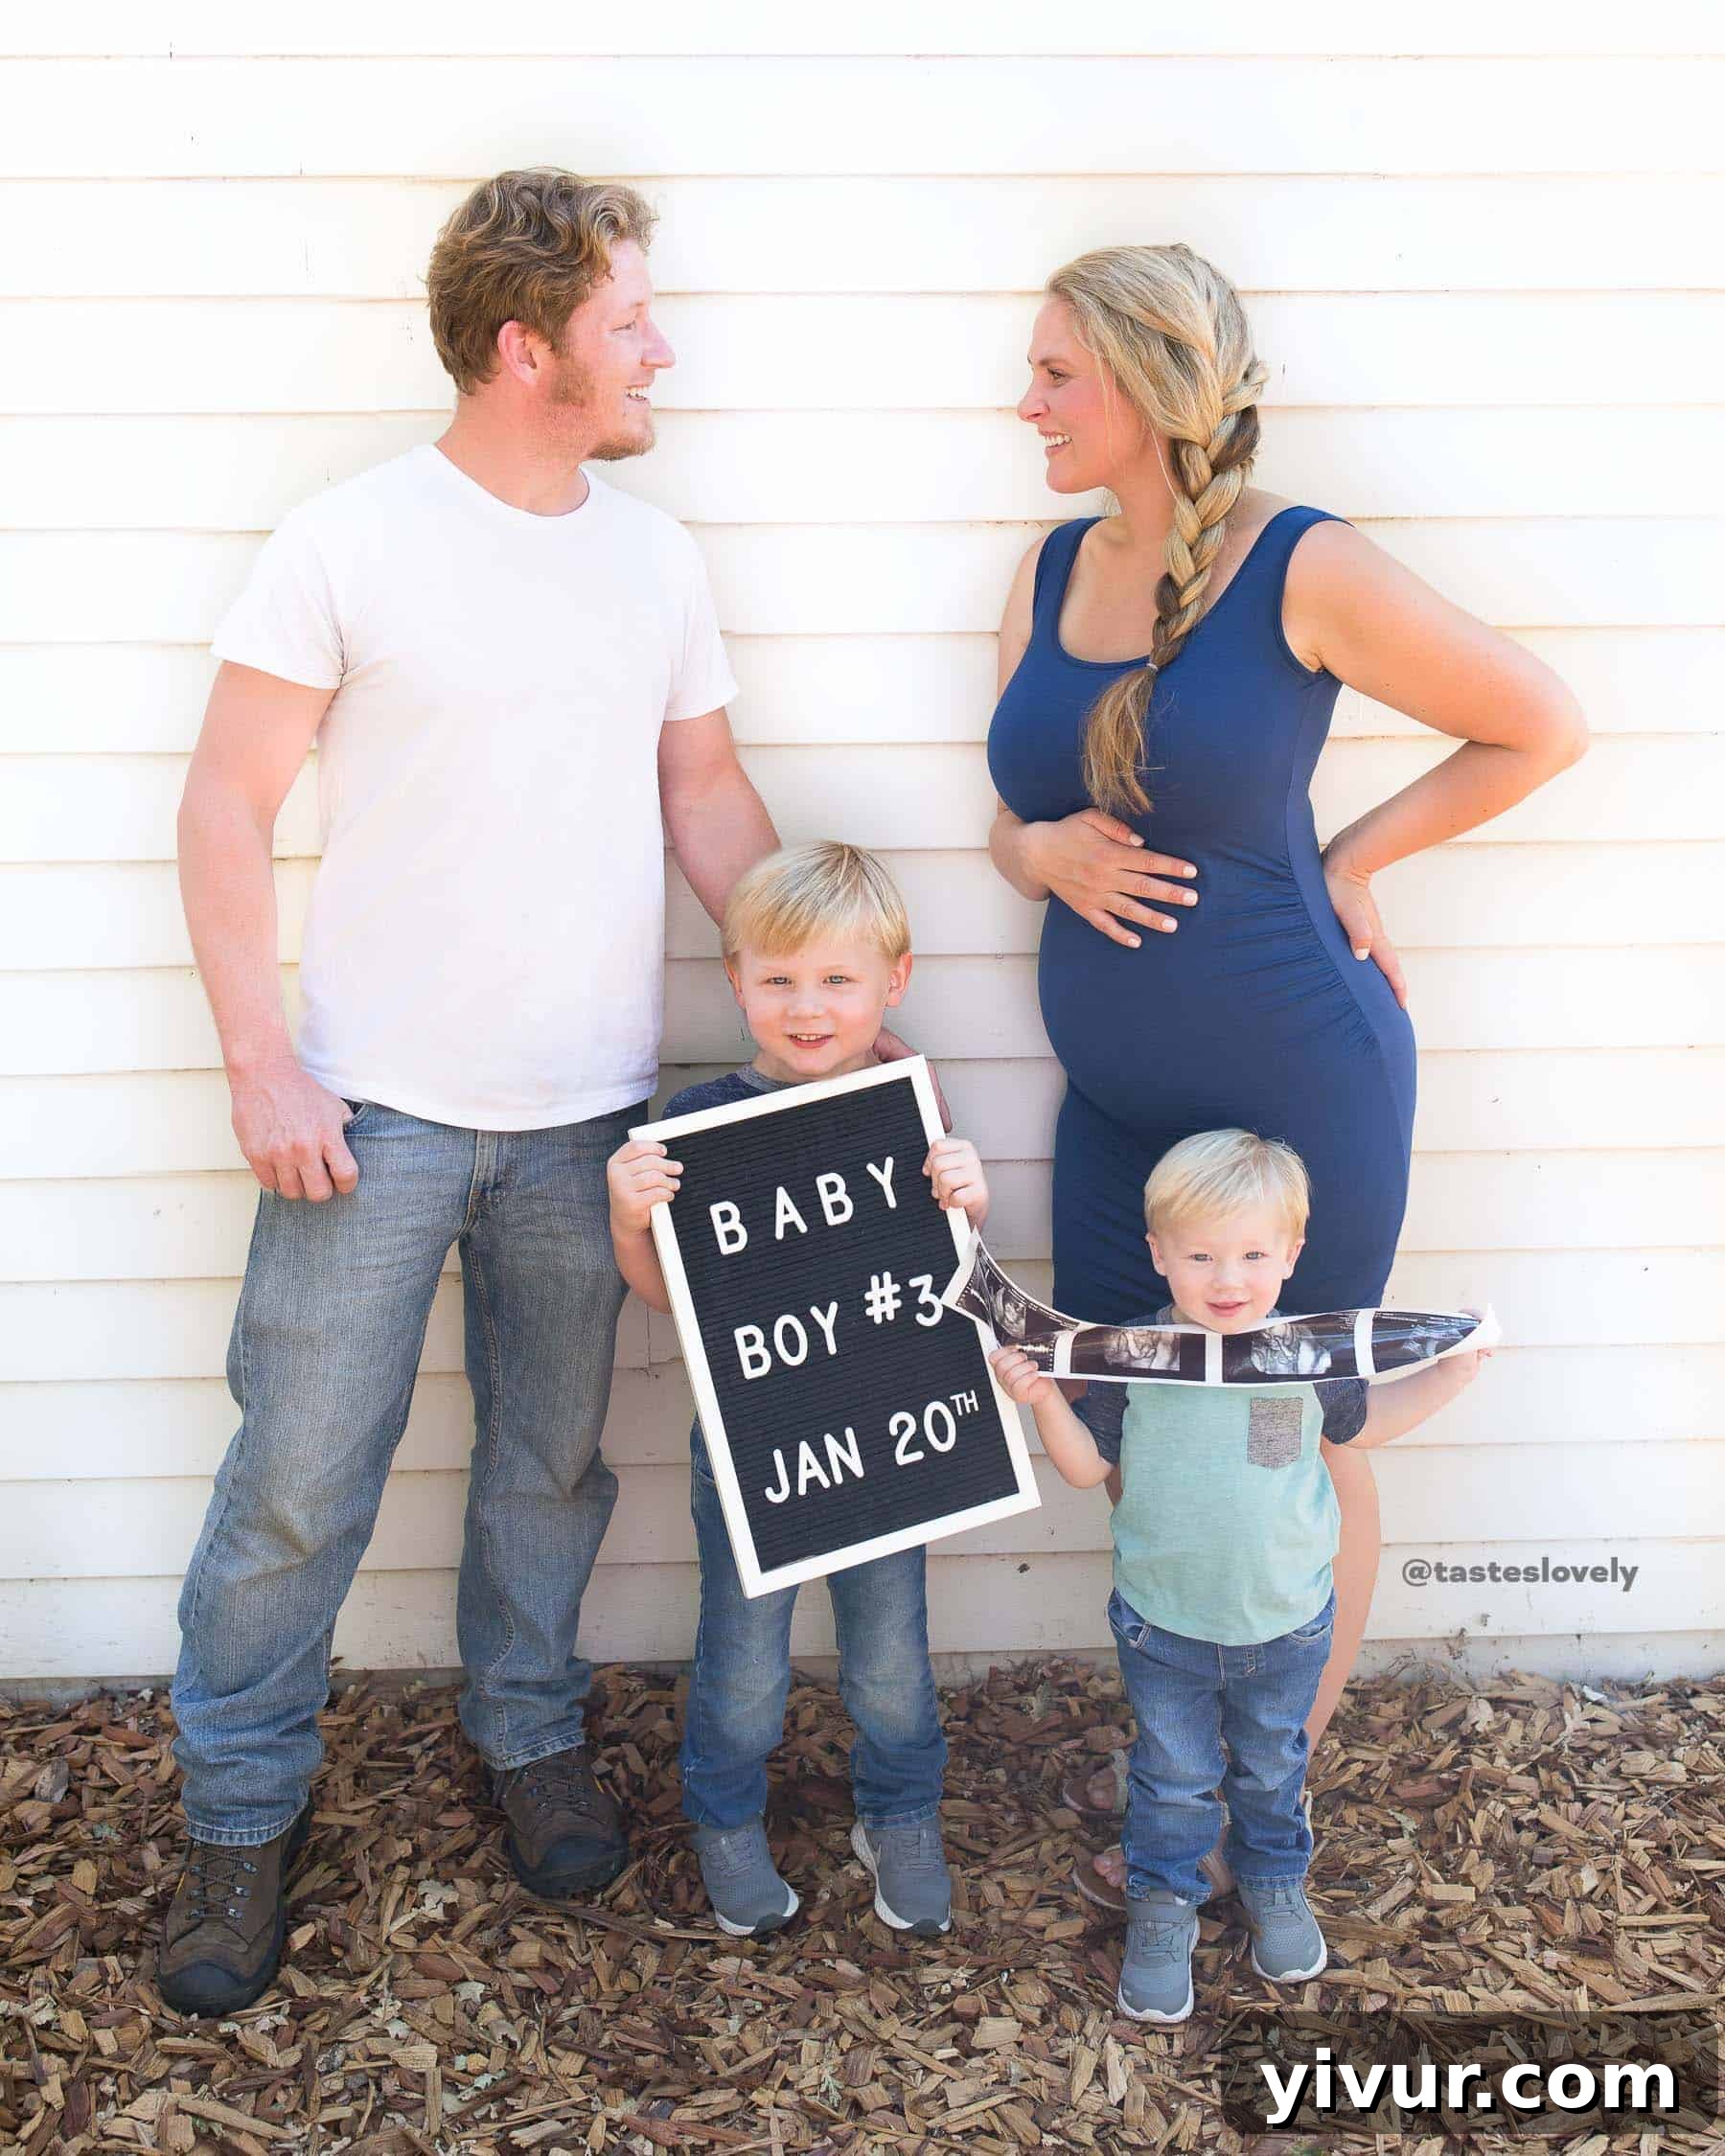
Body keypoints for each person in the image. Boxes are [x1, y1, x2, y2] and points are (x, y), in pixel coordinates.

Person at [159, 168, 782, 2016]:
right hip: (364, 1117)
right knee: (296, 1485)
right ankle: (241, 1813)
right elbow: (221, 804)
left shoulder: (655, 558)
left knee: (548, 1469)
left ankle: (525, 1736)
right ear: (530, 348)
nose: (659, 344)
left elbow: (707, 805)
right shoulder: (347, 542)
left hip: (591, 1121)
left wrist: (835, 997)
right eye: (627, 319)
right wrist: (260, 1060)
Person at [984, 242, 1586, 1897]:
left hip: (1298, 1100)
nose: (1020, 400)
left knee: (1294, 1438)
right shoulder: (1045, 571)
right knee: (1142, 1422)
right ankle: (1179, 1787)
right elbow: (1009, 815)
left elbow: (1537, 721)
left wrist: (1358, 859)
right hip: (1115, 1120)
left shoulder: (1297, 563)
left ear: (1154, 388)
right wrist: (1036, 856)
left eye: (1054, 374)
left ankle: (1269, 1811)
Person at [990, 1130, 1488, 2024]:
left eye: (1255, 1254)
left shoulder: (1307, 1354)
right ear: (1160, 1256)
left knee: (1270, 1770)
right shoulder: (1132, 1356)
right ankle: (1163, 1905)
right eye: (1202, 1255)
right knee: (1172, 1778)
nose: (1229, 1279)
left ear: (1292, 1256)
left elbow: (1361, 1428)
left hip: (1288, 1619)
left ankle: (1273, 1884)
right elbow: (1081, 1467)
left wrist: (1451, 1379)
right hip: (1164, 1625)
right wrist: (1038, 1405)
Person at [608, 843, 989, 1939]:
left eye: (836, 980)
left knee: (888, 1659)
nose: (808, 1007)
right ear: (735, 984)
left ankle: (902, 1810)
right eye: (778, 981)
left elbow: (941, 1277)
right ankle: (725, 1818)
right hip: (756, 1441)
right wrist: (631, 1218)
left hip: (889, 1435)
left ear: (893, 984)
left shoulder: (904, 1109)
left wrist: (969, 1201)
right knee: (743, 1658)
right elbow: (668, 1296)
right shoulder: (702, 1127)